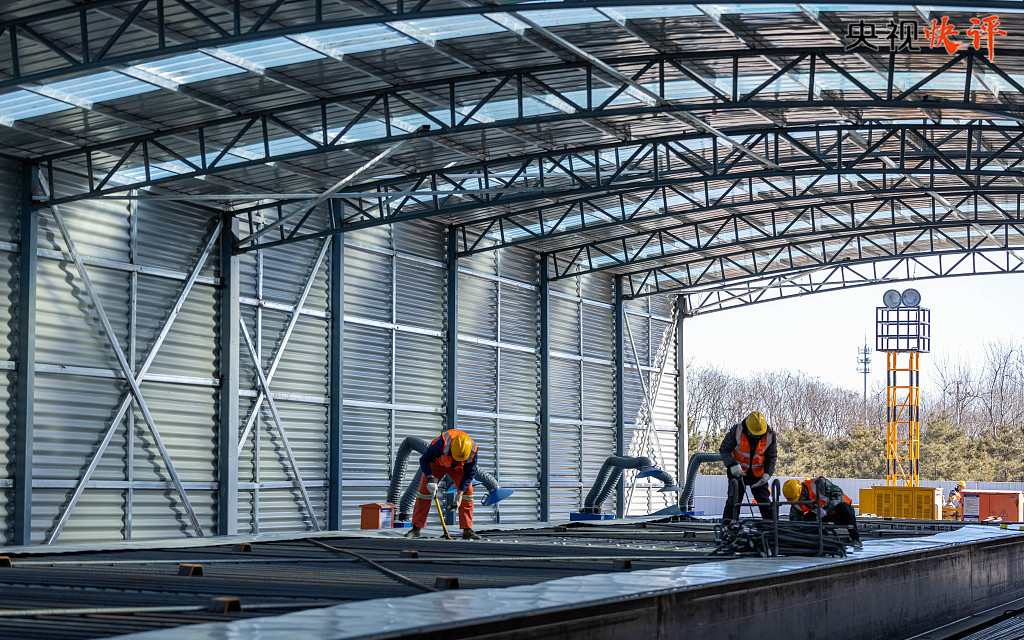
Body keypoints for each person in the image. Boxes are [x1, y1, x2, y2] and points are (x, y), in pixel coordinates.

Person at [406, 428, 481, 540]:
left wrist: (459, 496)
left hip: (459, 468)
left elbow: (470, 474)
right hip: (437, 464)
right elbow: (424, 460)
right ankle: (416, 528)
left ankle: (467, 530)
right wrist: (430, 478)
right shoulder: (442, 444)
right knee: (424, 492)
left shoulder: (472, 450)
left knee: (467, 494)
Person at [720, 411, 777, 521]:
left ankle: (771, 528)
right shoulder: (737, 431)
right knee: (733, 502)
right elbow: (724, 449)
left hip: (758, 474)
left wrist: (767, 474)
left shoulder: (770, 435)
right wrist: (732, 464)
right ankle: (728, 527)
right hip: (737, 472)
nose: (757, 436)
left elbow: (771, 457)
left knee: (765, 502)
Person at [783, 477, 863, 550]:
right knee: (808, 518)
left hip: (840, 514)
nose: (797, 501)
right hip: (822, 518)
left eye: (798, 498)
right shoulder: (796, 503)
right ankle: (823, 540)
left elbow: (838, 495)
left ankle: (855, 539)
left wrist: (825, 509)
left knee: (844, 506)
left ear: (803, 491)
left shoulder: (819, 484)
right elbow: (795, 522)